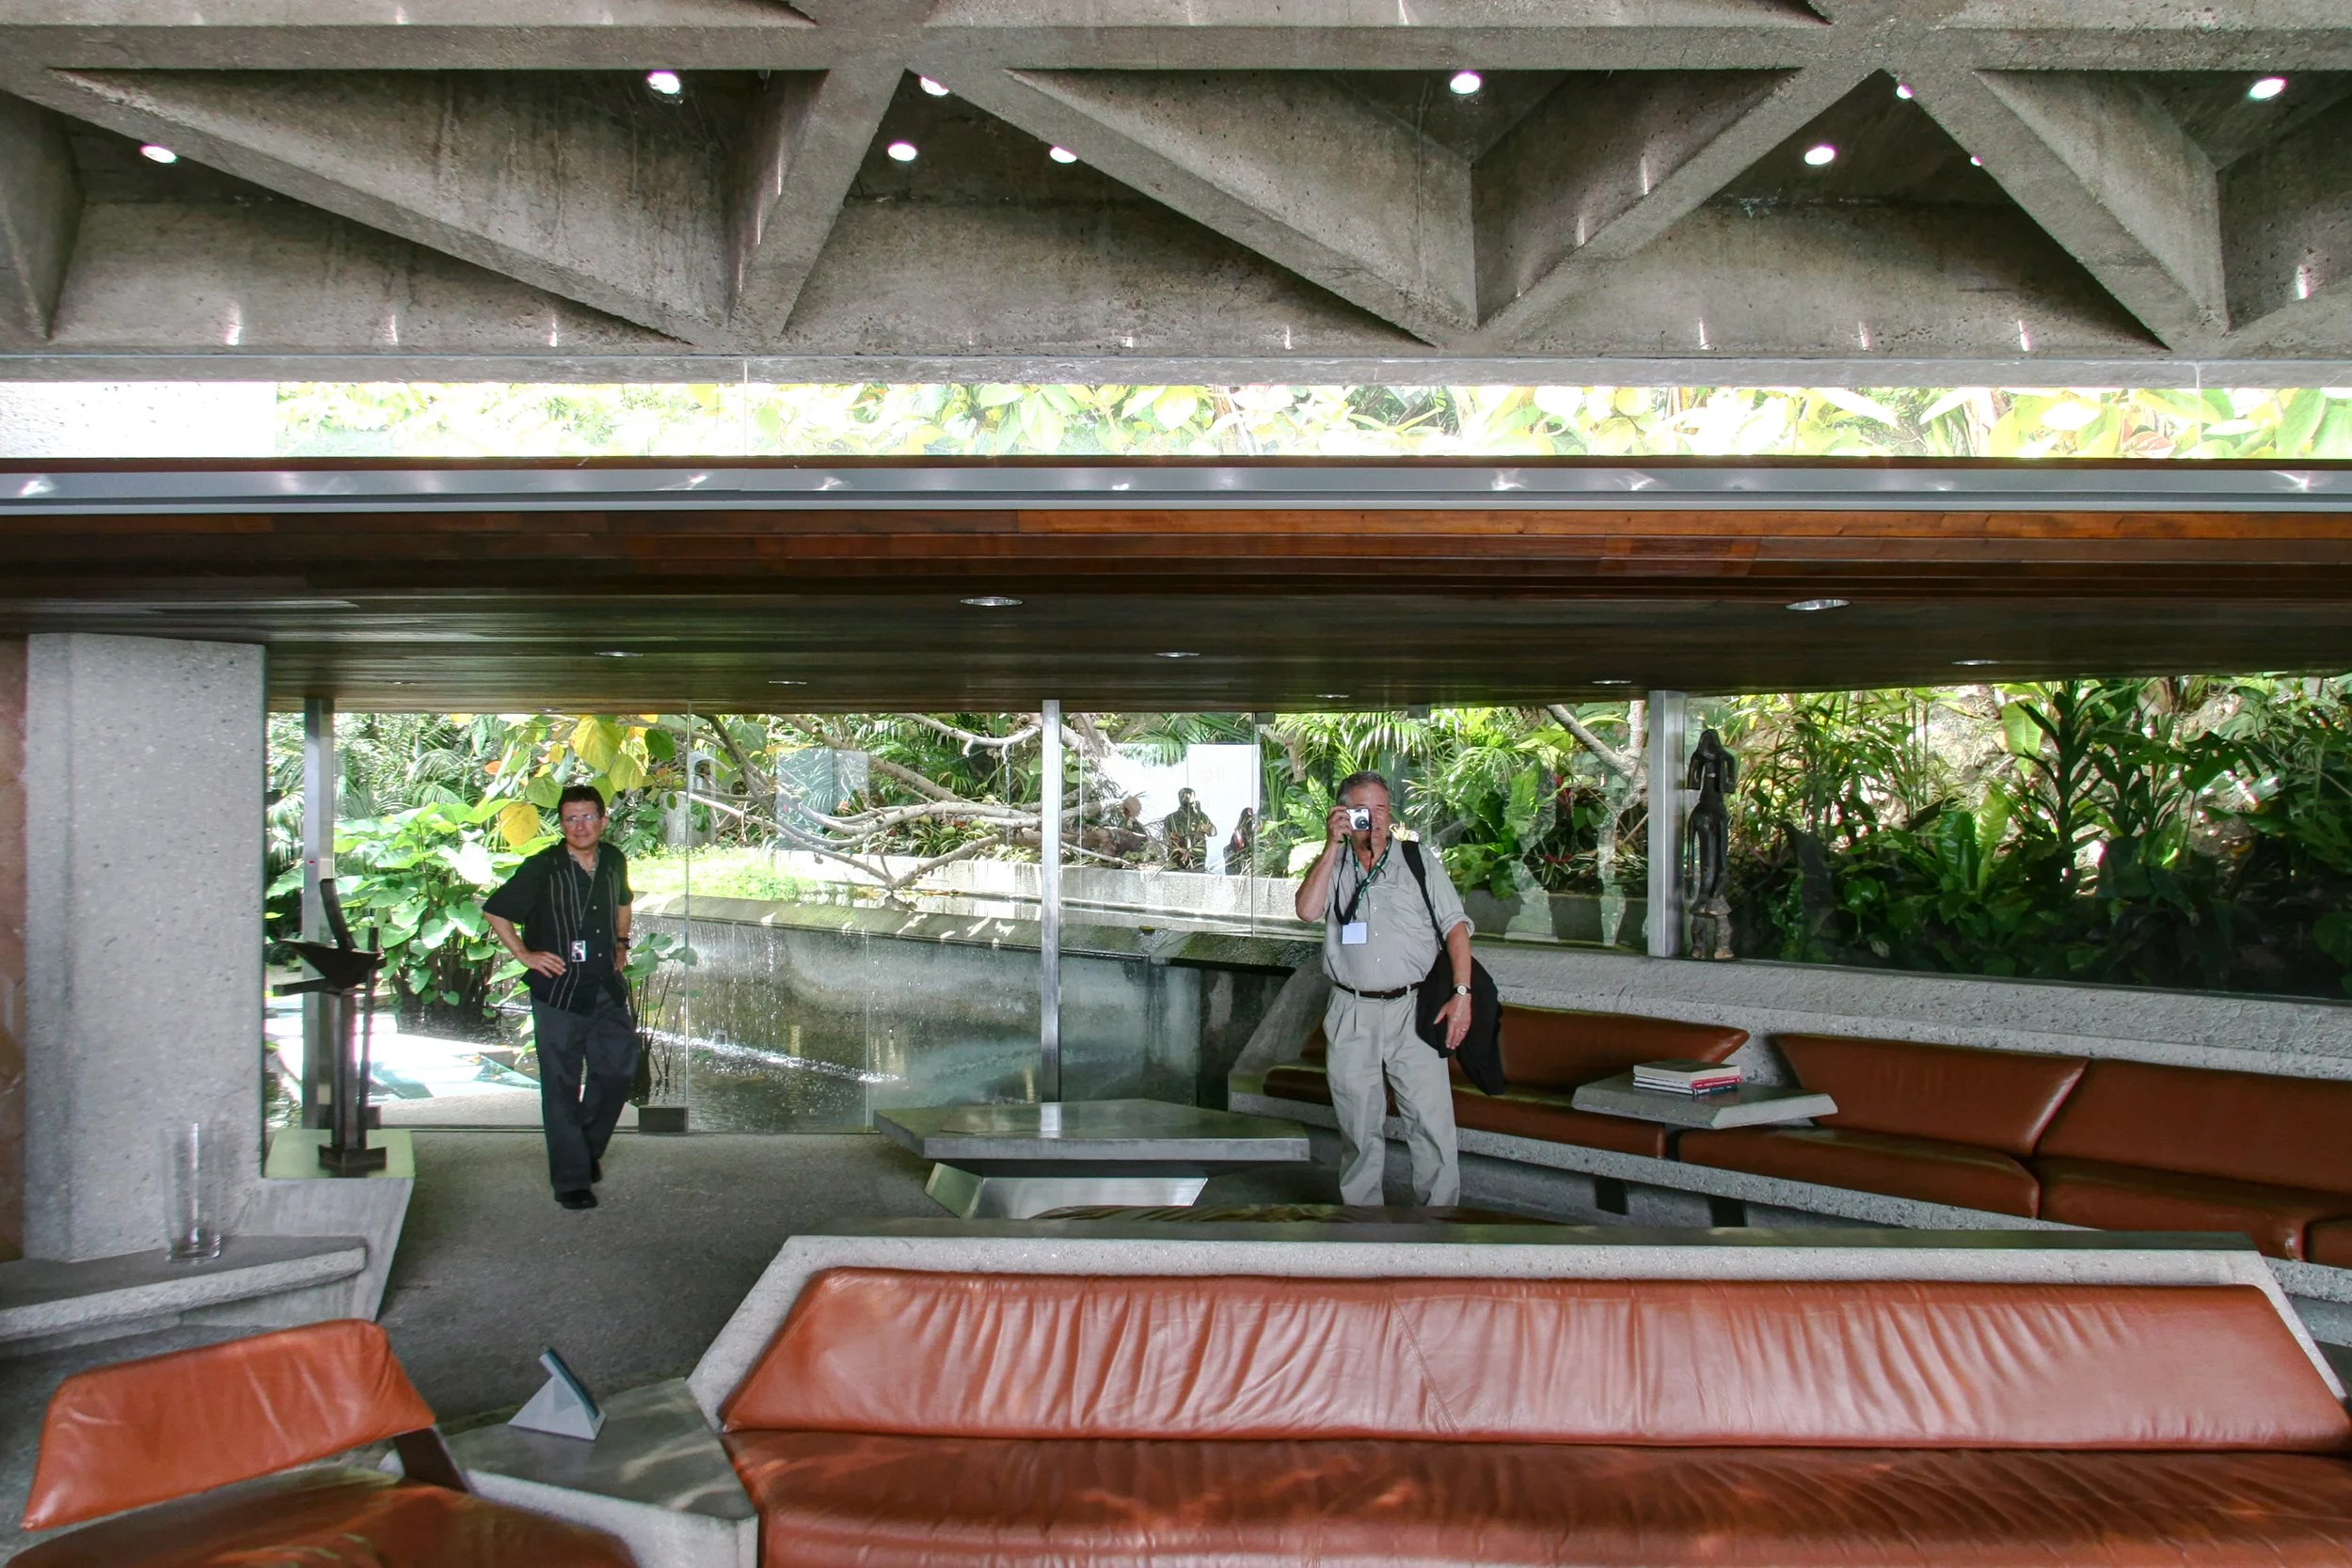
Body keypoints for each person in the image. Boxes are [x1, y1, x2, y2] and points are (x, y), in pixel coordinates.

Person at [1294, 771, 1473, 1206]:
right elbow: (1307, 911)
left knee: (1430, 1123)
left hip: (1413, 1007)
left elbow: (1456, 927)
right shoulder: (1334, 862)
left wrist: (1462, 995)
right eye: (1362, 810)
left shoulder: (1417, 860)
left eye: (1381, 810)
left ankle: (1440, 1220)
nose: (1373, 820)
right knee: (1358, 1125)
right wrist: (1330, 846)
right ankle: (1362, 1221)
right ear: (1342, 813)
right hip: (1351, 1009)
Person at [484, 784, 636, 1211]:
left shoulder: (613, 860)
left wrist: (621, 942)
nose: (580, 826)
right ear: (562, 824)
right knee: (561, 1083)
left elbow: (624, 902)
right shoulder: (543, 866)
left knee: (618, 1070)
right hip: (558, 991)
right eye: (571, 818)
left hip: (604, 987)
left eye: (588, 817)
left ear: (603, 820)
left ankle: (584, 1148)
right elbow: (496, 910)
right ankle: (571, 1178)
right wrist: (525, 955)